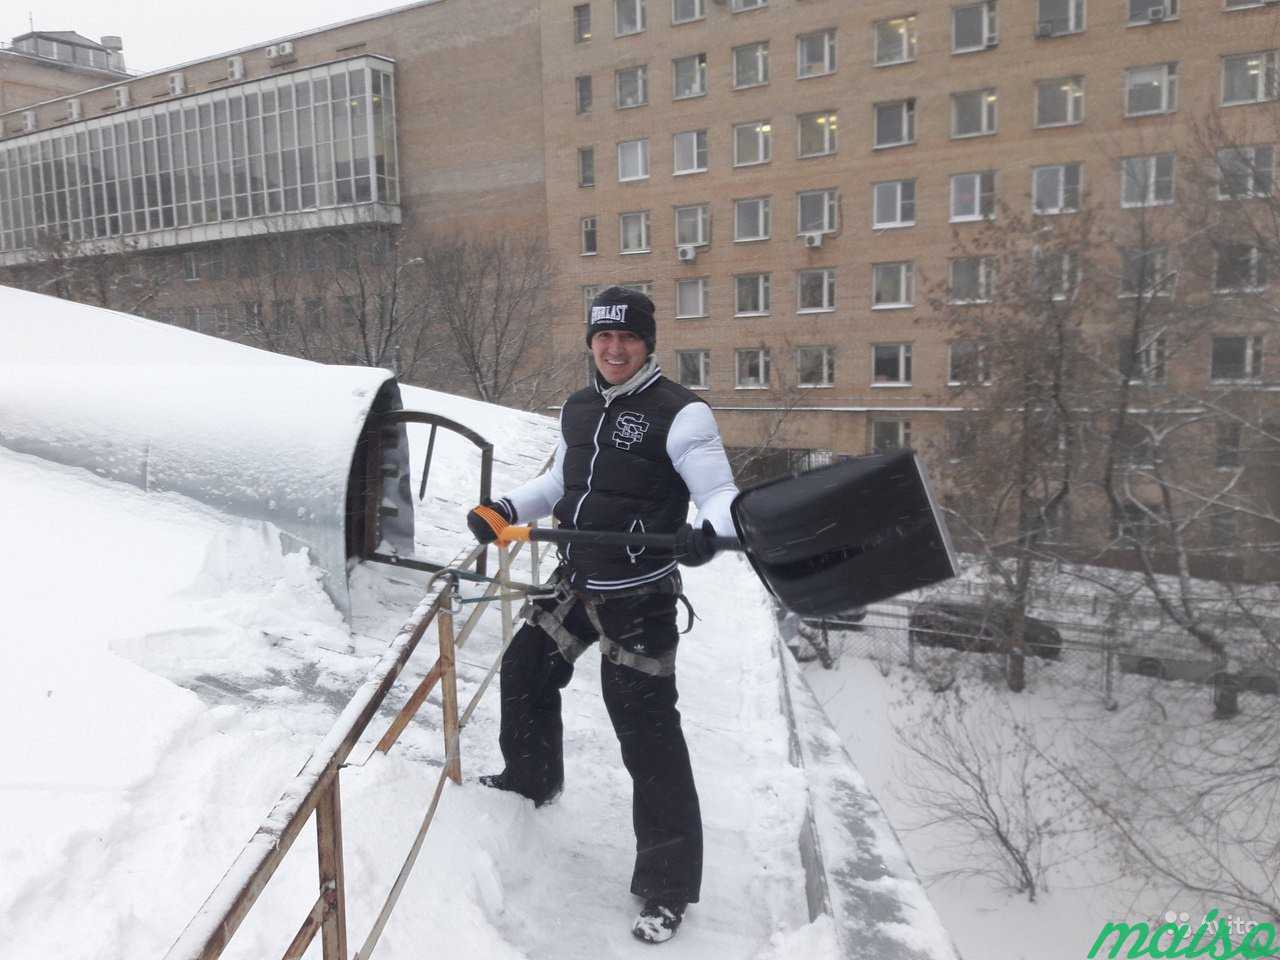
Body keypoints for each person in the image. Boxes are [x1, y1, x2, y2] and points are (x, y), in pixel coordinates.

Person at [465, 286, 738, 944]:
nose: (615, 349)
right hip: (579, 578)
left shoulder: (684, 415)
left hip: (640, 595)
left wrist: (708, 532)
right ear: (591, 341)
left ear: (648, 343)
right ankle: (531, 782)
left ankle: (668, 887)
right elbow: (563, 486)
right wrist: (505, 508)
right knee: (526, 667)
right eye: (604, 337)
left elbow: (723, 498)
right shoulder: (580, 407)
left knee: (645, 734)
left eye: (629, 338)